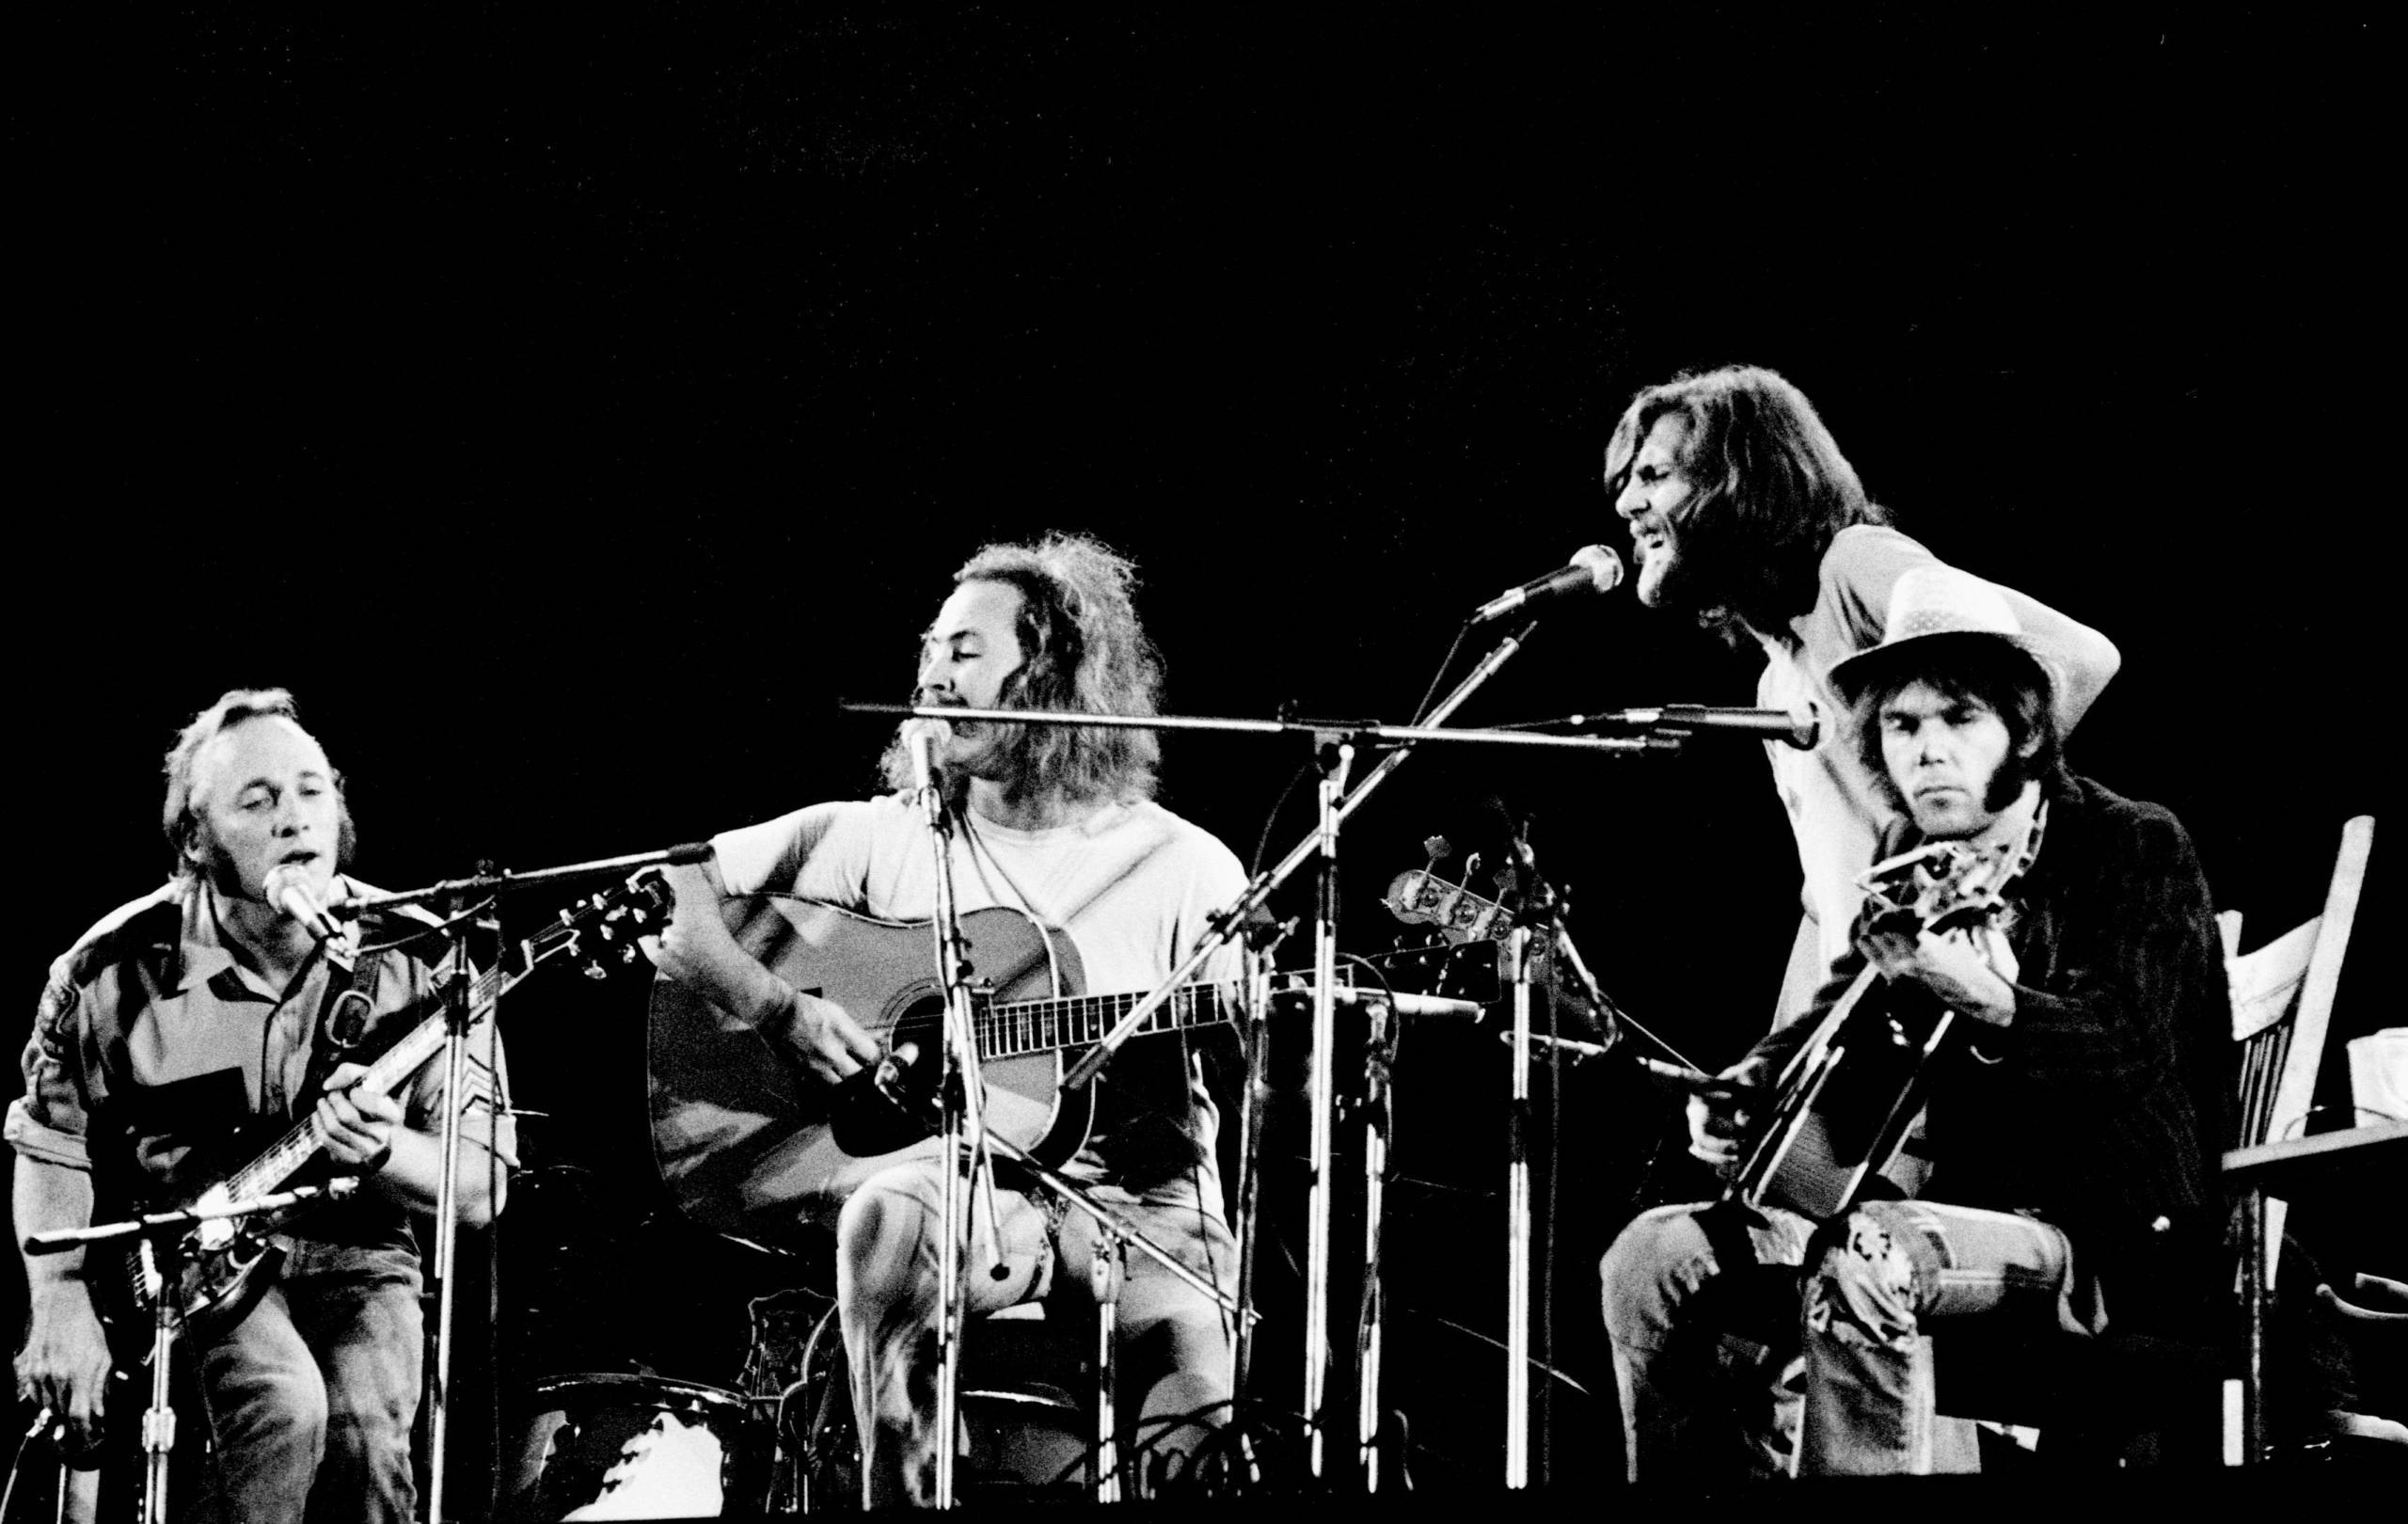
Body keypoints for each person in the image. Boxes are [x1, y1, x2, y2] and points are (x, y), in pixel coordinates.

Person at [650, 532, 1247, 1509]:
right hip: (959, 1185)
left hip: (1140, 1205)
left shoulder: (1184, 867)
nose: (932, 674)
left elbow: (1262, 1074)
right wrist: (780, 1010)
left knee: (1195, 1415)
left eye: (964, 652)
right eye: (930, 649)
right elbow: (665, 896)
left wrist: (1269, 1036)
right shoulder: (880, 836)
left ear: (1053, 673)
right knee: (886, 1218)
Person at [1599, 567, 2229, 1477]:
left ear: (2023, 731)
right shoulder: (1911, 864)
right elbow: (1833, 1011)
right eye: (1902, 726)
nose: (1928, 751)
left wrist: (1977, 991)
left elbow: (2126, 1048)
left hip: (2108, 1242)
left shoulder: (2128, 841)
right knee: (1651, 1257)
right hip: (1930, 1210)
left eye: (1959, 718)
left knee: (1870, 1251)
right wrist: (1743, 1087)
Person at [9, 689, 514, 1523]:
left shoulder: (426, 958)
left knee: (365, 1432)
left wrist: (385, 1148)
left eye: (313, 792)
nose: (294, 818)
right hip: (188, 1263)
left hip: (361, 1254)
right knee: (284, 1407)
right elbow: (51, 1141)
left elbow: (483, 1185)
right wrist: (59, 1298)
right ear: (196, 838)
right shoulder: (111, 969)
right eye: (258, 799)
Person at [1604, 364, 2124, 1024]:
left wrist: (1963, 836)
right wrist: (1777, 1064)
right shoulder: (1776, 682)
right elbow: (1826, 903)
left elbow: (2081, 657)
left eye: (1654, 475)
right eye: (1626, 482)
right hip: (1874, 1026)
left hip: (1964, 1013)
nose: (1626, 504)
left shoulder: (1853, 566)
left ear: (1742, 482)